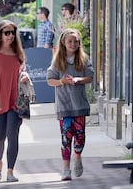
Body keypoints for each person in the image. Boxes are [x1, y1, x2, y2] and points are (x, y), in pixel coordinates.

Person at [0, 20, 31, 183]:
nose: (10, 36)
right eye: (6, 33)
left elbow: (22, 73)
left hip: (15, 100)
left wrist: (24, 76)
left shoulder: (18, 55)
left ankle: (10, 171)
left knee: (13, 135)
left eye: (12, 32)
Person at [47, 28, 95, 181]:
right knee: (66, 138)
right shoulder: (57, 61)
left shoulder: (83, 59)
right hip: (65, 106)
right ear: (63, 42)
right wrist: (62, 81)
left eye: (75, 41)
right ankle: (66, 169)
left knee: (80, 137)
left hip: (79, 105)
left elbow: (90, 76)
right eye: (70, 41)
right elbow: (50, 80)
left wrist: (78, 80)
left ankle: (78, 156)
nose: (73, 44)